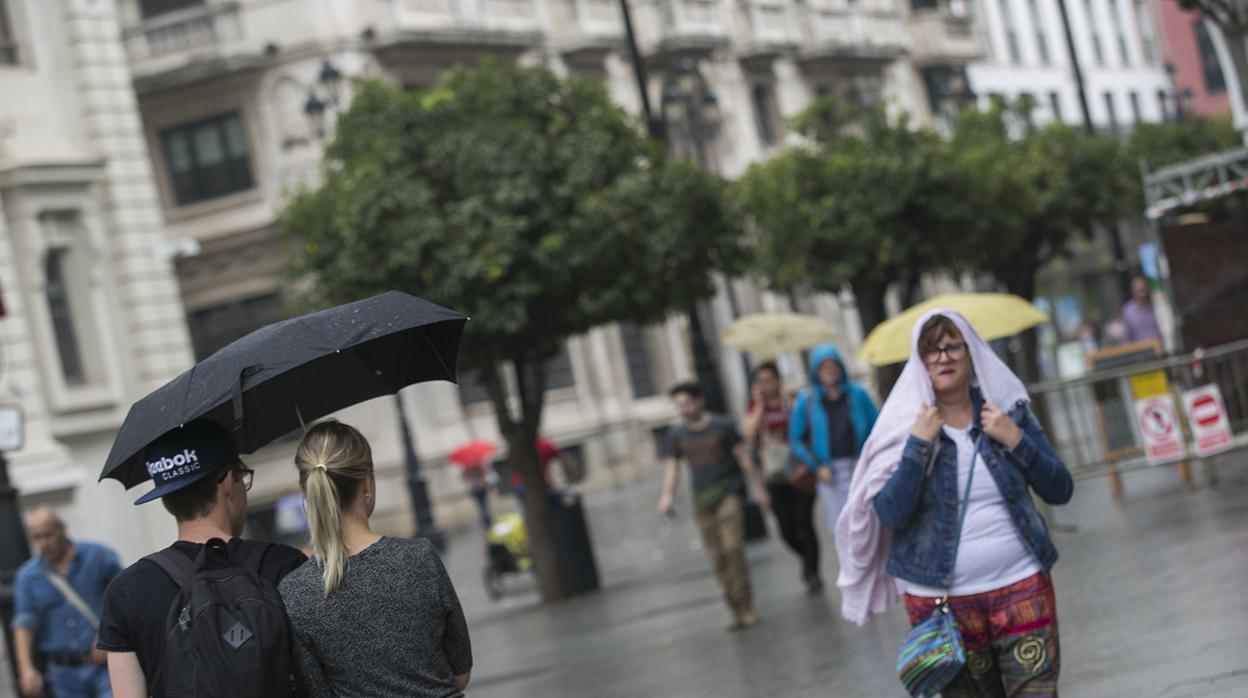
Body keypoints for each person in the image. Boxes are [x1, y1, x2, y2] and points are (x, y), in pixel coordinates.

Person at [836, 310, 1074, 696]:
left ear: (971, 353)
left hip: (1023, 588)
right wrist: (918, 447)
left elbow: (1060, 489)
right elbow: (890, 514)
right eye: (931, 351)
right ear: (920, 363)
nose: (943, 358)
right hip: (942, 607)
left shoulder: (1007, 413)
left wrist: (1016, 439)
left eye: (952, 347)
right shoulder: (902, 430)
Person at [98, 420, 307, 698]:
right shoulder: (285, 565)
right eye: (242, 476)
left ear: (165, 497)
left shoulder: (126, 591)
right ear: (228, 481)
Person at [279, 420, 473, 697]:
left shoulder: (293, 592)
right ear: (366, 482)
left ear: (307, 491)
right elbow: (460, 672)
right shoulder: (419, 558)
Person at [658, 382, 770, 631]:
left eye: (686, 403)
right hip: (702, 499)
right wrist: (666, 496)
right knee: (717, 557)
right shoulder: (676, 435)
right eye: (679, 406)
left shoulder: (722, 425)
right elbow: (672, 466)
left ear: (699, 401)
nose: (683, 409)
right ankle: (733, 607)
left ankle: (745, 604)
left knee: (733, 549)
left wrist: (759, 490)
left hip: (727, 493)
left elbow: (743, 457)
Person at [13, 507, 120, 698]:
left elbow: (126, 597)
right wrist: (26, 669)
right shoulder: (27, 577)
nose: (43, 543)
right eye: (36, 538)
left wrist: (108, 632)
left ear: (62, 528)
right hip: (63, 674)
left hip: (106, 666)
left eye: (47, 535)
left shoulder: (98, 556)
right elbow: (24, 623)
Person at [741, 362, 822, 593]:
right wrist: (758, 405)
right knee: (786, 530)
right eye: (760, 382)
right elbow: (747, 433)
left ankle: (813, 573)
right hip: (774, 475)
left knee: (805, 523)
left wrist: (791, 403)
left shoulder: (792, 400)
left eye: (769, 380)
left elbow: (808, 428)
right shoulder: (755, 407)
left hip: (799, 471)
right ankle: (807, 560)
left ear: (777, 380)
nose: (766, 385)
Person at [789, 343, 879, 542]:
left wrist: (866, 456)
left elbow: (878, 428)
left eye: (833, 365)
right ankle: (852, 571)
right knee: (841, 529)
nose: (829, 370)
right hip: (829, 473)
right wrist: (817, 466)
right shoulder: (807, 400)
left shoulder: (858, 394)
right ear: (815, 371)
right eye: (824, 366)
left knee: (868, 525)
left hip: (859, 467)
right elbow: (795, 439)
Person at [1121, 275, 1161, 343]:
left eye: (1144, 290)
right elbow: (1128, 337)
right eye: (1139, 291)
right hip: (1142, 351)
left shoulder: (1158, 306)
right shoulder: (1128, 311)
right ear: (1133, 292)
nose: (1142, 294)